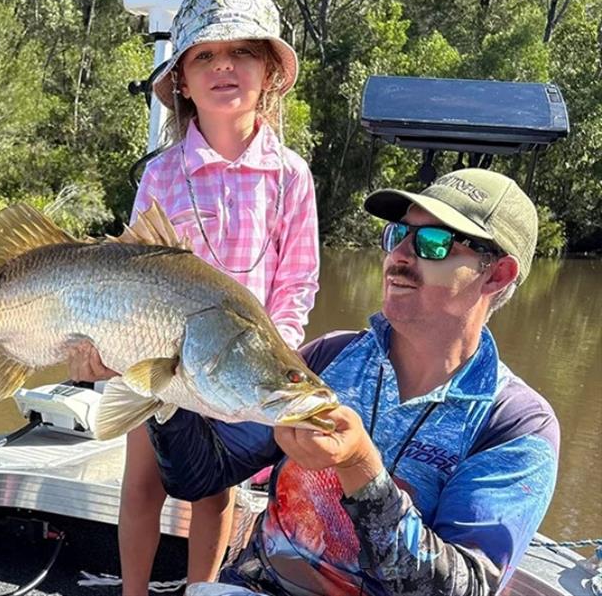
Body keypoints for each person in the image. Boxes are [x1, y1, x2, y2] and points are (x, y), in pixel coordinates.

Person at [144, 168, 560, 596]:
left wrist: (360, 468)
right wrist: (161, 385)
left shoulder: (514, 424)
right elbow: (200, 476)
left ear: (497, 274)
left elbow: (463, 588)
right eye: (397, 235)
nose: (399, 255)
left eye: (432, 243)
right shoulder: (330, 358)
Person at [66, 0, 320, 593]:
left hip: (232, 368)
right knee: (142, 481)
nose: (224, 67)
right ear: (180, 78)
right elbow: (127, 269)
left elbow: (298, 282)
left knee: (215, 491)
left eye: (241, 53)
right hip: (154, 351)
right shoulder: (162, 171)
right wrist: (100, 345)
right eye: (204, 56)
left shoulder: (291, 176)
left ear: (269, 74)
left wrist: (263, 361)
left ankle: (202, 589)